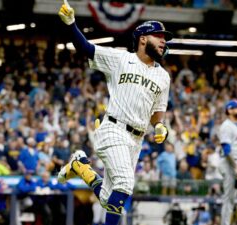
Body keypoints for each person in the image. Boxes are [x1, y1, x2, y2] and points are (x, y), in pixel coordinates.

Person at [57, 2, 172, 224]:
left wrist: (160, 125)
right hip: (113, 128)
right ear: (143, 39)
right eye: (159, 36)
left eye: (164, 38)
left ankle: (82, 169)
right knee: (125, 185)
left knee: (110, 198)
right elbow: (87, 49)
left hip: (136, 139)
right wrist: (71, 24)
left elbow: (158, 110)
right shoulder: (121, 59)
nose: (164, 41)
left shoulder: (163, 76)